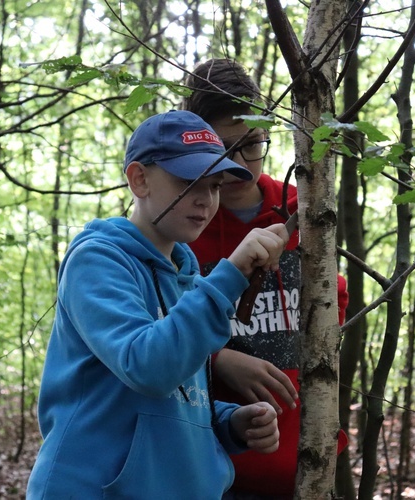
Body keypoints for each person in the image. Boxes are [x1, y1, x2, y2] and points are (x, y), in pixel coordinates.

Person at [26, 110, 293, 499]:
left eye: (215, 186)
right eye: (189, 182)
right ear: (139, 179)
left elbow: (179, 397)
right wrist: (229, 274)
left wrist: (229, 422)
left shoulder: (188, 280)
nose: (205, 200)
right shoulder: (97, 260)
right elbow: (147, 366)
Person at [183, 59, 350, 499]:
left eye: (251, 144)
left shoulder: (304, 209)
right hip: (209, 469)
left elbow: (333, 313)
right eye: (220, 148)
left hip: (308, 463)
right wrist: (217, 359)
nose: (238, 163)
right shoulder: (183, 224)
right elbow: (152, 338)